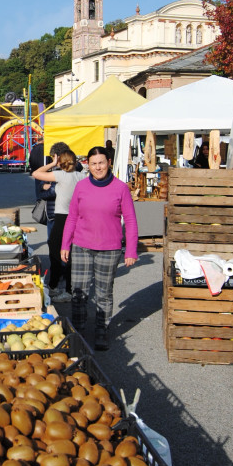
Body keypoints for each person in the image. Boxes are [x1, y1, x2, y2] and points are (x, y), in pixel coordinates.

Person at [61, 145, 138, 351]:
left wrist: (131, 250)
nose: (98, 167)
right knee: (79, 293)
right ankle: (78, 332)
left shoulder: (121, 188)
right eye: (93, 163)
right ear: (88, 165)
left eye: (101, 163)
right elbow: (72, 216)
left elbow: (130, 220)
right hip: (81, 246)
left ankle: (102, 331)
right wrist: (65, 243)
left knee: (103, 293)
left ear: (109, 163)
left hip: (109, 248)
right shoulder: (81, 187)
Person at [31, 147, 86, 303]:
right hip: (77, 217)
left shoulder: (61, 175)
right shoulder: (82, 176)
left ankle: (58, 287)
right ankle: (65, 287)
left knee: (56, 252)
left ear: (60, 162)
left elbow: (36, 173)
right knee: (71, 254)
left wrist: (51, 164)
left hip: (62, 218)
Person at [29, 142, 56, 238]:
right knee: (45, 191)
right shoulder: (46, 149)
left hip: (37, 171)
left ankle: (39, 204)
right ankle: (42, 204)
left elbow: (30, 160)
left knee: (39, 190)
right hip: (46, 172)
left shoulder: (34, 149)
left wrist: (33, 169)